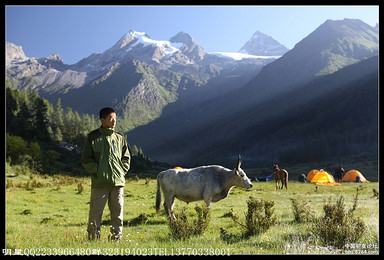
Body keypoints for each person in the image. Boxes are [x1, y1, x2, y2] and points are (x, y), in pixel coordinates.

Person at [82, 107, 131, 241]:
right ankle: (93, 239)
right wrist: (97, 171)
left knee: (117, 213)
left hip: (118, 183)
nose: (114, 121)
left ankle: (116, 238)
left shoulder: (120, 138)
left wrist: (121, 171)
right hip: (100, 183)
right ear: (102, 120)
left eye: (115, 119)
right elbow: (86, 159)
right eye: (111, 118)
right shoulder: (93, 137)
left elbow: (126, 158)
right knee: (95, 213)